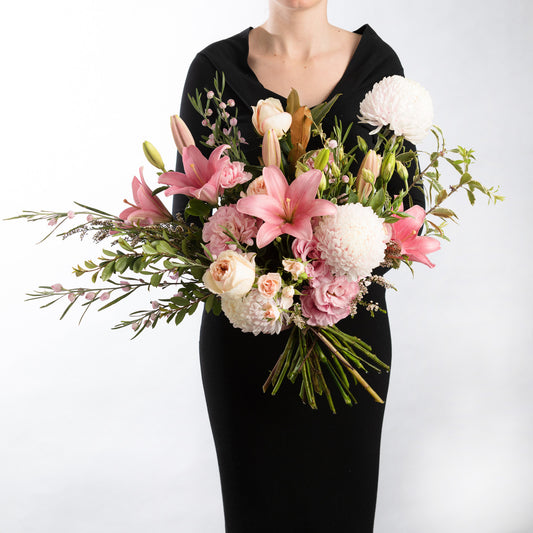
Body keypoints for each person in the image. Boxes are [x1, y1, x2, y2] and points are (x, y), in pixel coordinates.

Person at [173, 1, 424, 531]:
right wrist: (269, 270)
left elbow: (409, 211)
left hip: (350, 337)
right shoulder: (214, 70)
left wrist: (330, 262)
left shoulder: (378, 67)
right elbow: (187, 218)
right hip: (245, 338)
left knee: (343, 514)